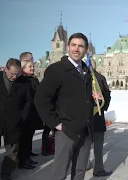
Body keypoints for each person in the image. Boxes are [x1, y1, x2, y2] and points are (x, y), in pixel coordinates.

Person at [34, 33, 103, 180]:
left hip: (85, 131)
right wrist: (56, 124)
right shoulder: (56, 69)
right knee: (60, 173)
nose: (76, 49)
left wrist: (98, 98)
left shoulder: (87, 71)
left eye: (81, 46)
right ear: (68, 47)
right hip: (66, 131)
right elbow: (41, 99)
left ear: (86, 50)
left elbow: (86, 99)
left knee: (80, 172)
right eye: (73, 45)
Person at [0, 58, 32, 180]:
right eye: (12, 73)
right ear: (6, 69)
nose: (15, 76)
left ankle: (6, 173)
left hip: (14, 122)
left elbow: (28, 102)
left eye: (17, 74)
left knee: (12, 151)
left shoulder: (24, 82)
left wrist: (21, 117)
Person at [86, 59, 112, 177]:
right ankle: (98, 169)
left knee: (84, 144)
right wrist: (103, 106)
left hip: (84, 118)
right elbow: (107, 95)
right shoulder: (100, 78)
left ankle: (85, 164)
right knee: (98, 145)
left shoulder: (79, 78)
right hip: (97, 117)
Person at [17, 59, 43, 169]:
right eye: (30, 67)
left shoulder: (33, 79)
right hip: (26, 114)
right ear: (23, 69)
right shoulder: (22, 80)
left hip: (33, 112)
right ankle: (22, 160)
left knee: (29, 136)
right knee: (24, 138)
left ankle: (27, 156)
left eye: (33, 66)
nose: (32, 68)